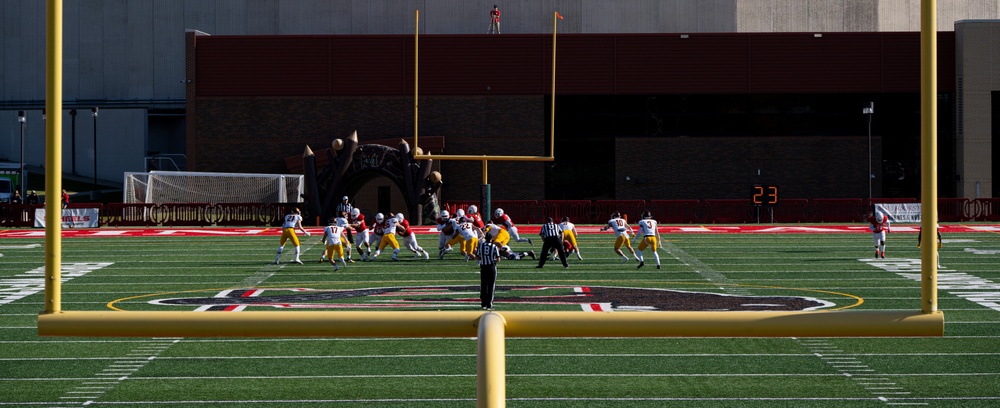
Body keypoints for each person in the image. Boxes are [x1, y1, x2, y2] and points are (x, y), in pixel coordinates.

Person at [478, 232, 502, 310]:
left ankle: (483, 303)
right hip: (491, 267)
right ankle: (489, 304)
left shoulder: (481, 245)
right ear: (492, 238)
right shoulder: (494, 246)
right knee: (491, 285)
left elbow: (477, 256)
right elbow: (498, 259)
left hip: (483, 267)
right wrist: (493, 260)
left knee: (484, 285)